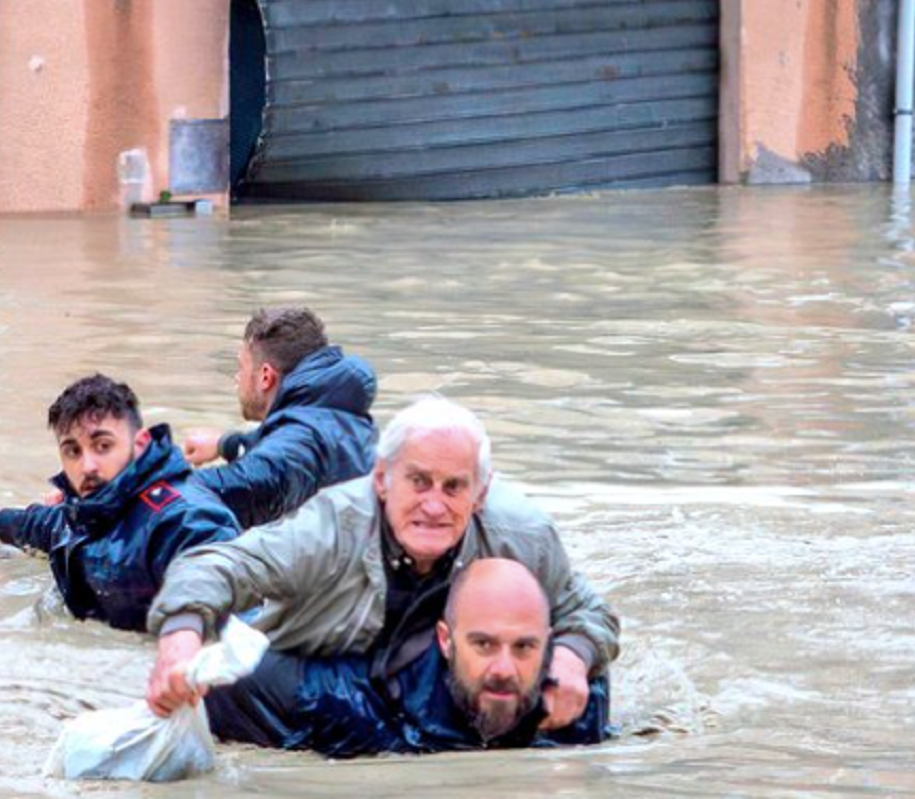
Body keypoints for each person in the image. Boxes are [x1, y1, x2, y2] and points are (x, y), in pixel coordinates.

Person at [146, 396, 618, 732]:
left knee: (584, 690)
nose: (434, 506)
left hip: (432, 673)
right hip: (322, 667)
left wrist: (573, 658)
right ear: (381, 479)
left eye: (453, 487)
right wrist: (179, 641)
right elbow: (216, 566)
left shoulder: (523, 536)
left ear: (481, 493)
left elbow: (588, 612)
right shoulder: (330, 528)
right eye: (418, 481)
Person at [204, 558, 611, 757]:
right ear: (446, 640)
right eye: (484, 645)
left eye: (524, 647)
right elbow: (222, 671)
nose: (505, 669)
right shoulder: (348, 699)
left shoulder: (575, 703)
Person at [0, 374, 239, 633]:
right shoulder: (89, 508)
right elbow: (53, 527)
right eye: (72, 451)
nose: (87, 466)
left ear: (140, 444)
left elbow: (230, 605)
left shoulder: (184, 520)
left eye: (102, 446)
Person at [182, 306, 377, 529]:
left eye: (241, 367)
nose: (237, 378)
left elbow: (254, 479)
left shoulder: (301, 440)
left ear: (265, 376)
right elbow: (277, 444)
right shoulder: (336, 414)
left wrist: (153, 488)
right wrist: (224, 444)